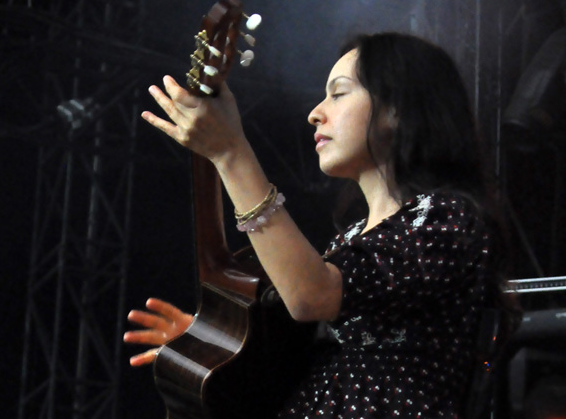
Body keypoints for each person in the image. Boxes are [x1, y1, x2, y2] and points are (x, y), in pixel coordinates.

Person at [124, 32, 515, 418]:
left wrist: (231, 153)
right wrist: (216, 344)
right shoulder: (349, 237)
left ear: (397, 108)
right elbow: (293, 360)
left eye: (339, 93)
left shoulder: (448, 218)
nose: (316, 112)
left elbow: (311, 295)